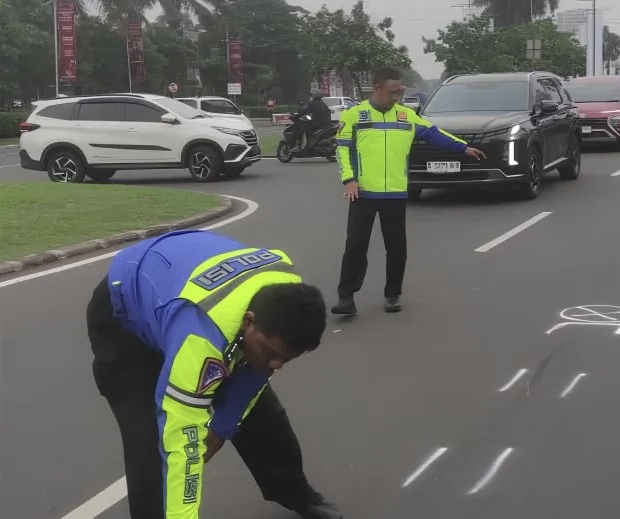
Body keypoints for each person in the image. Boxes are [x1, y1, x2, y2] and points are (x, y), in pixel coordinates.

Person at [86, 229, 343, 518]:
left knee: (263, 415)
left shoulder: (288, 296)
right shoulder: (203, 338)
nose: (276, 365)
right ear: (249, 322)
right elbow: (183, 442)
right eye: (271, 353)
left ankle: (297, 495)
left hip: (180, 292)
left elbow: (255, 376)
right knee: (153, 444)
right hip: (126, 319)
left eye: (286, 359)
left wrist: (221, 428)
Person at [330, 67, 486, 315]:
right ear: (377, 88)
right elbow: (343, 150)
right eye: (393, 92)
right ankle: (346, 297)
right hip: (362, 193)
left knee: (397, 248)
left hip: (394, 193)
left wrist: (463, 148)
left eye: (400, 92)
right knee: (355, 247)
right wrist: (349, 179)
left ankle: (393, 294)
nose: (397, 97)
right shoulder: (354, 116)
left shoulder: (406, 116)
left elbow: (435, 134)